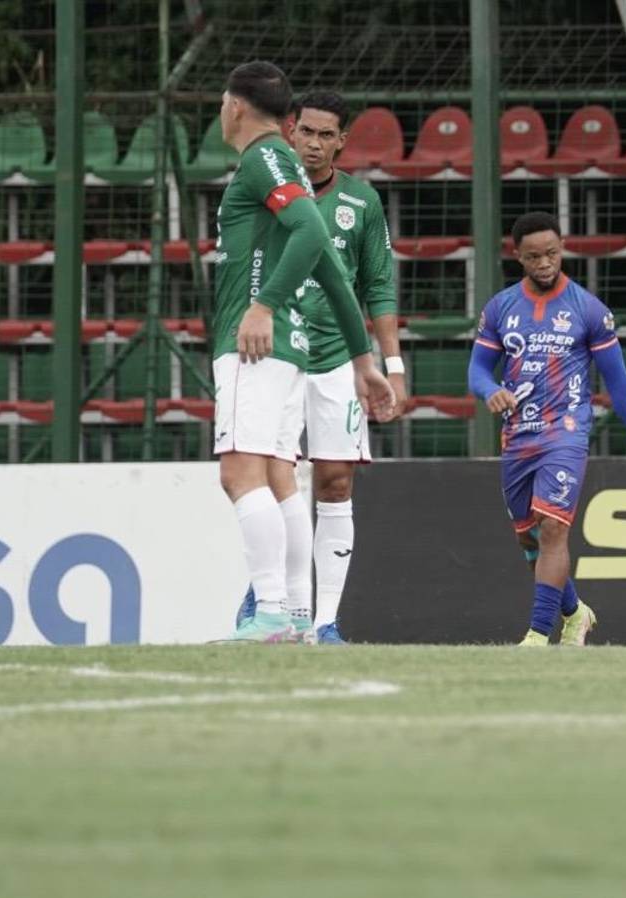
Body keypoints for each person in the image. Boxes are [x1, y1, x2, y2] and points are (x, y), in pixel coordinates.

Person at [212, 61, 394, 643]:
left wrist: (261, 305)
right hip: (295, 345)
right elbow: (331, 271)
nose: (313, 143)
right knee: (279, 476)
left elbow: (321, 245)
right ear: (291, 125)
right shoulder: (284, 164)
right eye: (307, 130)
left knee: (241, 473)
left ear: (233, 106)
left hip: (260, 341)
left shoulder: (264, 158)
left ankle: (271, 610)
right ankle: (292, 613)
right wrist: (368, 359)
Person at [467, 211, 626, 646]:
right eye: (534, 256)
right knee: (530, 540)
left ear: (562, 248)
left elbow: (619, 383)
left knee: (554, 527)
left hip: (566, 432)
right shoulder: (501, 308)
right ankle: (575, 613)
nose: (545, 263)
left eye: (552, 253)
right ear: (518, 257)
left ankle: (537, 635)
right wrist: (490, 391)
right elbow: (477, 370)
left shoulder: (587, 309)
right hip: (518, 436)